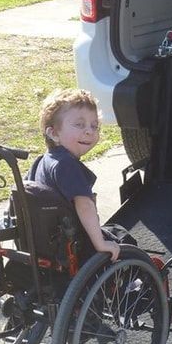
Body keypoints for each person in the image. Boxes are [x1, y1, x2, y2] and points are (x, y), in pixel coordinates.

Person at [32, 88, 120, 262]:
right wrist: (101, 244)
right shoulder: (67, 166)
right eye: (79, 125)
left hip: (47, 244)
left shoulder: (42, 161)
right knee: (122, 240)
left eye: (94, 126)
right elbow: (85, 206)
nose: (89, 131)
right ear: (54, 133)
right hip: (73, 245)